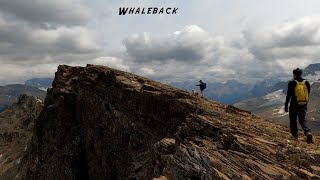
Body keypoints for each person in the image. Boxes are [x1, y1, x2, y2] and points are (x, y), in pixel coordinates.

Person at [285, 68, 313, 143]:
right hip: (303, 104)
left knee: (293, 119)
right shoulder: (306, 83)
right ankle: (308, 132)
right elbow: (308, 93)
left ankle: (295, 135)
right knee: (302, 119)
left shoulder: (292, 83)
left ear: (294, 74)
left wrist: (286, 106)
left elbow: (288, 95)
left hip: (294, 104)